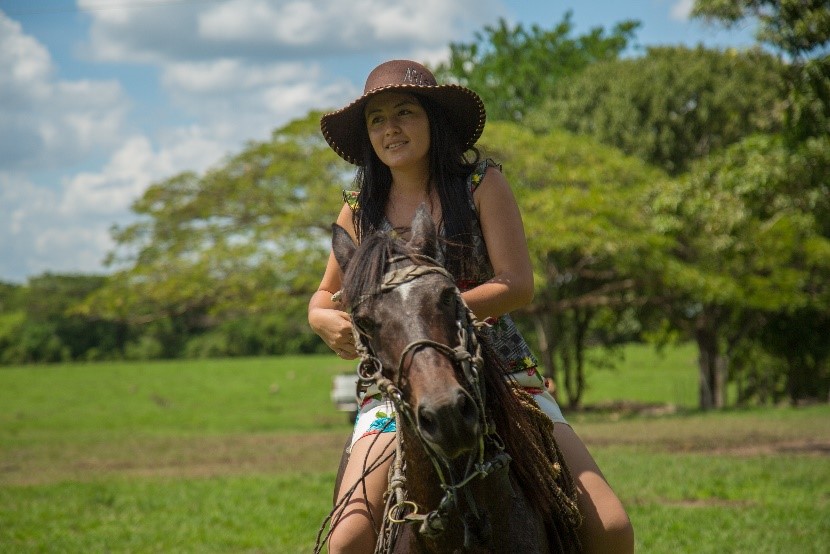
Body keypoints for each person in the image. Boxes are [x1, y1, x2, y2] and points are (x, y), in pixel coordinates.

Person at [308, 59, 634, 554]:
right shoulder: (358, 208)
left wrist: (434, 308)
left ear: (433, 121)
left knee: (610, 529)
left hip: (502, 371)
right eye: (377, 120)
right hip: (395, 387)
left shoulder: (481, 184)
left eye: (404, 113)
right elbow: (322, 296)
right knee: (347, 540)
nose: (390, 128)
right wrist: (322, 320)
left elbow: (517, 284)